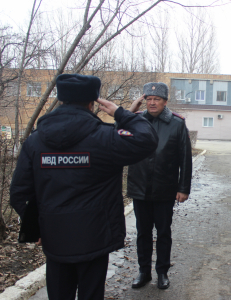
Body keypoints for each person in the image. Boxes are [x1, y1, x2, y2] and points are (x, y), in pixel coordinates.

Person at [10, 74, 158, 300]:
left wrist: (35, 226)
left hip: (55, 238)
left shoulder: (35, 141)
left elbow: (19, 192)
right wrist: (120, 112)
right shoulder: (105, 138)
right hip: (94, 237)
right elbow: (147, 139)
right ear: (92, 103)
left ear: (61, 100)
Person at [127, 82, 193, 290]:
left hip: (165, 189)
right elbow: (114, 134)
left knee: (163, 232)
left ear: (165, 102)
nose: (152, 103)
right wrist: (130, 112)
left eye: (157, 99)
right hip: (140, 188)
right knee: (143, 233)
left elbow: (185, 158)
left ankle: (162, 272)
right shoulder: (136, 121)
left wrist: (183, 188)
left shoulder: (177, 124)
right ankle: (143, 271)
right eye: (149, 99)